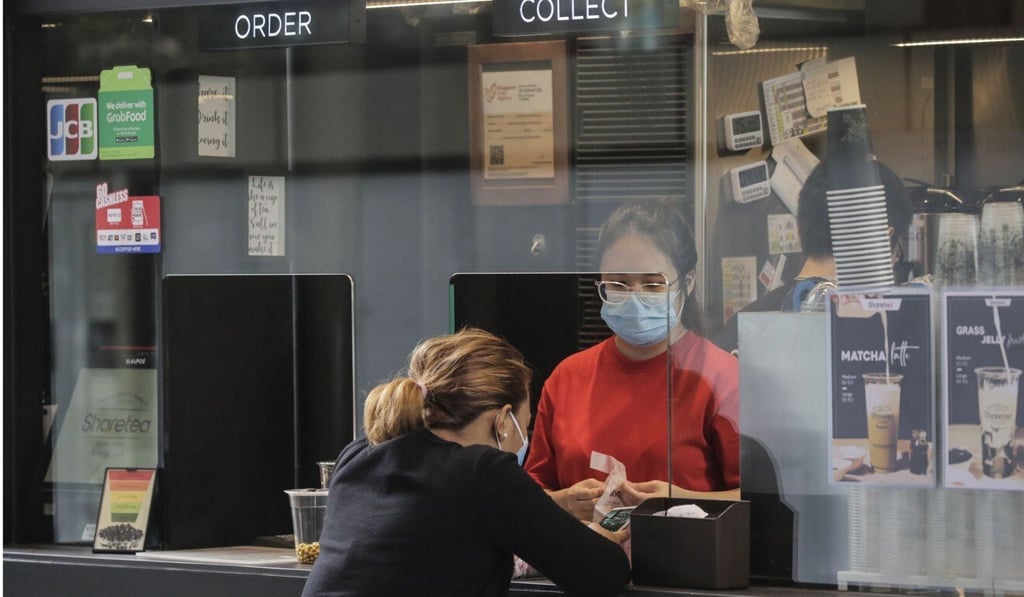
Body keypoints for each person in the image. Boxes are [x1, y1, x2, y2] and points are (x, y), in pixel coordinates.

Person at [302, 327, 631, 597]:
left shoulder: (358, 455)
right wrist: (604, 538)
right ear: (502, 421)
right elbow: (601, 574)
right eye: (525, 424)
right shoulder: (483, 470)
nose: (524, 437)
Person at [524, 199, 740, 523]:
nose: (634, 296)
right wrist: (563, 502)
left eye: (653, 284)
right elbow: (528, 493)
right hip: (580, 567)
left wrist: (677, 500)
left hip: (683, 567)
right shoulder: (567, 378)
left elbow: (758, 501)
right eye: (618, 283)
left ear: (688, 283)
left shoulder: (722, 378)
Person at [711, 161, 914, 356]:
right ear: (876, 240)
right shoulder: (878, 338)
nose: (893, 263)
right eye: (895, 252)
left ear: (799, 231)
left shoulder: (741, 326)